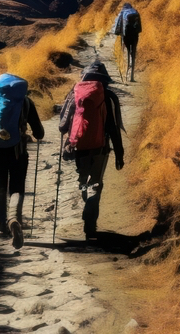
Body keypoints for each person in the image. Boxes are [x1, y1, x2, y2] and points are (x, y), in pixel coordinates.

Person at [0, 73, 44, 249]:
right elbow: (39, 133)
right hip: (18, 152)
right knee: (17, 189)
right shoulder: (26, 102)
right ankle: (14, 219)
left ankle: (0, 228)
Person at [58, 61, 125, 239]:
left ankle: (86, 200)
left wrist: (69, 138)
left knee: (83, 180)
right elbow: (114, 128)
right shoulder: (109, 97)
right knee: (96, 183)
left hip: (79, 147)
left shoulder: (74, 93)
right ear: (104, 79)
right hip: (101, 147)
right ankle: (90, 222)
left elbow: (62, 125)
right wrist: (120, 154)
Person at [112, 2, 142, 81]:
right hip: (135, 35)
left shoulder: (122, 12)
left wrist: (117, 32)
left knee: (127, 51)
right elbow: (139, 28)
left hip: (126, 34)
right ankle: (132, 75)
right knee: (133, 51)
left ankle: (127, 72)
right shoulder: (135, 12)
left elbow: (117, 24)